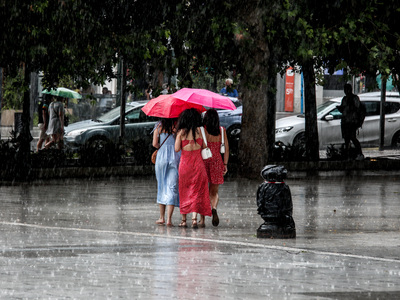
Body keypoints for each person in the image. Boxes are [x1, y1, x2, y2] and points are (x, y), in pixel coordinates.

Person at [175, 108, 212, 228]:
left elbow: (176, 149)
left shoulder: (181, 133)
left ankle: (184, 220)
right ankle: (195, 219)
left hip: (185, 166)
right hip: (198, 165)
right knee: (197, 191)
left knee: (184, 191)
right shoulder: (199, 132)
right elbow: (204, 146)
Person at [200, 109, 229, 227]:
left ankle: (202, 219)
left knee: (203, 191)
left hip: (205, 161)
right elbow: (226, 148)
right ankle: (214, 208)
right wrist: (225, 164)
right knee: (214, 192)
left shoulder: (203, 131)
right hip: (217, 162)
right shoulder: (222, 131)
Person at [153, 118, 181, 227]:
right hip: (175, 157)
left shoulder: (159, 126)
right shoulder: (177, 127)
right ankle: (169, 219)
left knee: (161, 185)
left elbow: (155, 143)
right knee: (172, 187)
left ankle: (161, 217)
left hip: (161, 157)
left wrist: (162, 147)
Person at [337, 83, 364, 160]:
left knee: (352, 137)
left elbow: (357, 108)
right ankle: (347, 155)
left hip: (352, 121)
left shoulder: (354, 98)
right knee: (346, 139)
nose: (346, 91)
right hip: (345, 121)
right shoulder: (344, 99)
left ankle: (359, 153)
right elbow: (343, 109)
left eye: (347, 90)